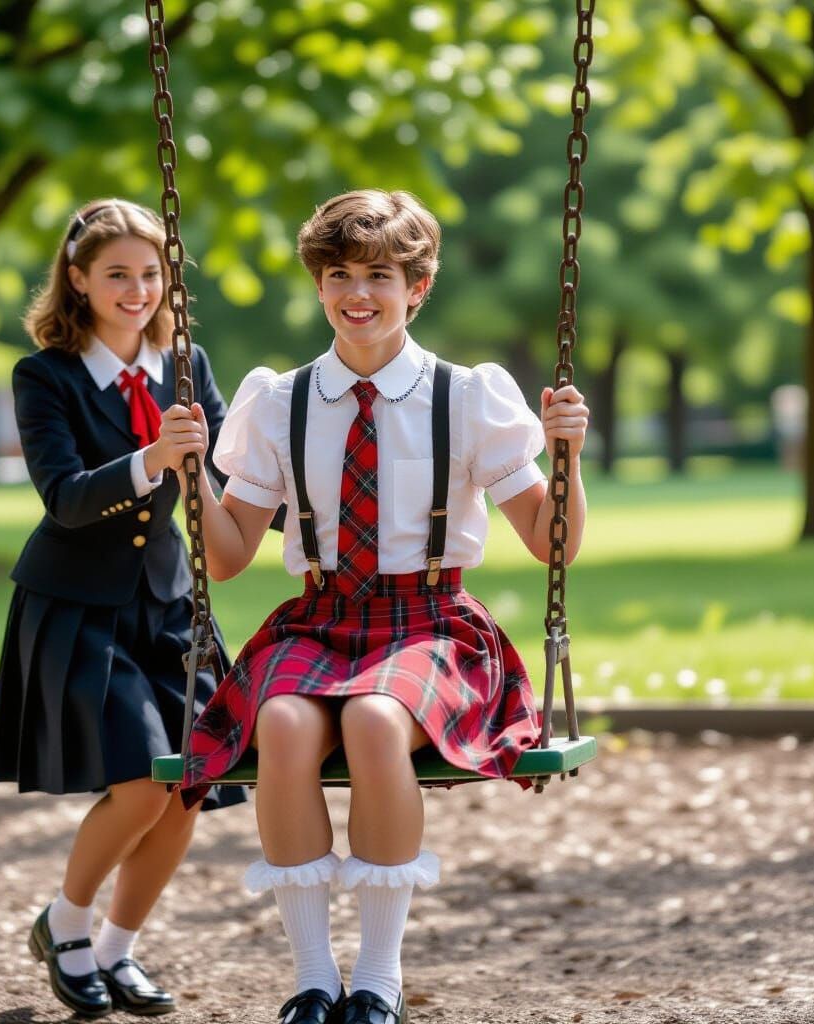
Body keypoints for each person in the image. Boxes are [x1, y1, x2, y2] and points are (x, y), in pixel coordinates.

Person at [160, 189, 590, 1024]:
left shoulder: (467, 397)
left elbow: (551, 541)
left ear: (418, 287)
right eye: (341, 274)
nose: (359, 292)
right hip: (320, 619)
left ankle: (381, 981)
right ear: (319, 286)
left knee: (374, 722)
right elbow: (229, 553)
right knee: (282, 724)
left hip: (429, 623)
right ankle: (315, 979)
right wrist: (191, 476)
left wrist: (568, 454)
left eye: (381, 275)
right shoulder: (277, 401)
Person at [0, 199, 249, 1019]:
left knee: (190, 786)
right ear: (79, 280)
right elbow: (63, 498)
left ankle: (116, 950)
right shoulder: (46, 377)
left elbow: (234, 474)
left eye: (151, 274)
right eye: (117, 275)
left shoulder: (187, 365)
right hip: (78, 603)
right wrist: (151, 459)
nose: (137, 290)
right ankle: (64, 925)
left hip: (170, 605)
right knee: (140, 784)